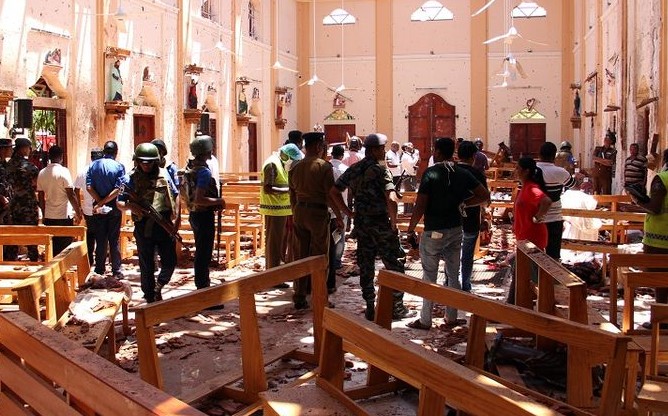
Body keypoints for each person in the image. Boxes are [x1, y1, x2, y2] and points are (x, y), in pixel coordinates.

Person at [405, 138, 489, 330]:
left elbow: (420, 205)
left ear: (438, 152)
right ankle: (451, 316)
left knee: (429, 275)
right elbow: (484, 195)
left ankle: (425, 319)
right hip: (455, 229)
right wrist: (465, 203)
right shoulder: (462, 173)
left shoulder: (431, 173)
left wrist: (411, 228)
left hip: (434, 230)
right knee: (453, 273)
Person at [330, 133, 414, 321]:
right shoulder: (380, 170)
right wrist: (394, 221)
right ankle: (396, 307)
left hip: (362, 224)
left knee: (366, 264)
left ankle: (369, 304)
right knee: (395, 263)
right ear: (375, 150)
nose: (384, 152)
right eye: (382, 149)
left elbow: (334, 191)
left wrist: (348, 212)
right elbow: (391, 198)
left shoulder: (355, 169)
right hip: (381, 224)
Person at [117, 143, 180, 303]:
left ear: (156, 161)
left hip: (164, 224)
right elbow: (120, 202)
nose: (146, 165)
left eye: (150, 162)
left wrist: (177, 218)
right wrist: (132, 206)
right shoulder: (129, 178)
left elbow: (176, 195)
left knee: (170, 262)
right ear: (137, 161)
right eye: (143, 162)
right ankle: (150, 297)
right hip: (143, 226)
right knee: (147, 265)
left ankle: (159, 286)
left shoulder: (164, 174)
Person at [289, 132, 343, 309]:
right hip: (317, 214)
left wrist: (295, 212)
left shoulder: (295, 167)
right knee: (321, 256)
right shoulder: (323, 166)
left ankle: (299, 295)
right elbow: (330, 195)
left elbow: (292, 196)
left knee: (300, 255)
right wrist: (340, 216)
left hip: (300, 212)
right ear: (319, 146)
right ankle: (320, 296)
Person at [182, 135, 225, 293]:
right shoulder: (204, 172)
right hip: (203, 215)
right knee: (204, 253)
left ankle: (202, 284)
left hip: (194, 214)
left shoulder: (190, 168)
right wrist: (219, 201)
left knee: (202, 251)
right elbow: (200, 199)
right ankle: (203, 288)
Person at [507, 157, 552, 304]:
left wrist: (537, 217)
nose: (515, 171)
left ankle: (514, 304)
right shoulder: (524, 187)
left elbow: (546, 201)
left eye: (518, 168)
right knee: (521, 271)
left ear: (526, 171)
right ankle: (516, 303)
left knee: (523, 272)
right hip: (524, 237)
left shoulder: (532, 188)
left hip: (532, 237)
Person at [628, 149, 668, 306]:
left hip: (660, 240)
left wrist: (638, 200)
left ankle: (661, 320)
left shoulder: (662, 179)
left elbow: (655, 208)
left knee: (660, 281)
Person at [260, 143, 303, 277]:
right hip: (274, 209)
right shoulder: (272, 164)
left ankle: (277, 272)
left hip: (282, 209)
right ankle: (273, 276)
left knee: (278, 244)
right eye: (291, 158)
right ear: (285, 154)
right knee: (274, 244)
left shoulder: (280, 163)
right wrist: (288, 191)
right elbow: (268, 188)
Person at [86, 141, 125, 278]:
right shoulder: (119, 166)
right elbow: (118, 189)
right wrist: (105, 201)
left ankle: (99, 268)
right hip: (114, 206)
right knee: (114, 239)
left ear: (104, 151)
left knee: (100, 238)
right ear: (116, 152)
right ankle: (116, 270)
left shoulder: (93, 165)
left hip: (98, 206)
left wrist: (99, 202)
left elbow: (89, 187)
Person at [455, 141, 490, 292]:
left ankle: (450, 282)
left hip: (451, 220)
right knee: (468, 255)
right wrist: (468, 204)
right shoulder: (477, 174)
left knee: (451, 254)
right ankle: (466, 284)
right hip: (471, 219)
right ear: (474, 156)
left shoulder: (451, 172)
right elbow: (486, 201)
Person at [36, 145, 83, 256]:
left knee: (53, 247)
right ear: (61, 157)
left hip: (49, 216)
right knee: (65, 248)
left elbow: (41, 197)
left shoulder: (42, 173)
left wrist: (44, 213)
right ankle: (63, 271)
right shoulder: (64, 172)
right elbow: (71, 195)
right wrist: (78, 212)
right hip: (63, 216)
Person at [536, 142, 576, 260]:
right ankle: (550, 277)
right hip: (554, 218)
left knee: (534, 253)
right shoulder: (560, 171)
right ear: (554, 156)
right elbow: (572, 184)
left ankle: (534, 277)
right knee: (553, 255)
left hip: (535, 217)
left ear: (539, 154)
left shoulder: (531, 170)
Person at [5, 138, 40, 261]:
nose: (30, 151)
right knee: (31, 234)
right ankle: (34, 260)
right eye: (29, 148)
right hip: (27, 205)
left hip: (13, 205)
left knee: (13, 234)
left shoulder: (8, 165)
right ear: (24, 148)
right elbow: (36, 184)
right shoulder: (30, 167)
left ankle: (10, 260)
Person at [74, 148, 104, 265]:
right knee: (101, 235)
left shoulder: (83, 171)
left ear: (91, 157)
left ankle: (89, 260)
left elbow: (75, 190)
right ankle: (99, 261)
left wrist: (79, 206)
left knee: (90, 235)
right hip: (101, 208)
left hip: (88, 209)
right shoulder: (103, 170)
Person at [327, 145, 348, 291]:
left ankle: (331, 261)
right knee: (339, 236)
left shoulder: (328, 168)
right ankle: (337, 260)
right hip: (340, 206)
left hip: (328, 208)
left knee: (331, 236)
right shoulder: (344, 169)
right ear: (342, 155)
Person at [0, 138, 13, 227]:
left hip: (6, 206)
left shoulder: (5, 164)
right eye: (10, 148)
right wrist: (1, 198)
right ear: (3, 149)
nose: (12, 150)